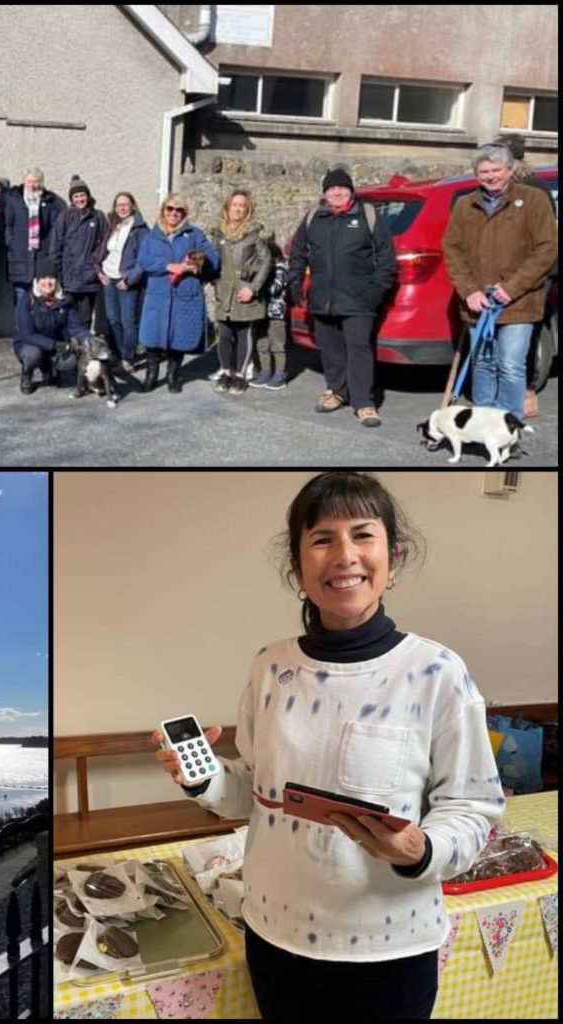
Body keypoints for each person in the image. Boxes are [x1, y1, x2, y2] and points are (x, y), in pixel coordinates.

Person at [151, 471, 504, 1020]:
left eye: (363, 535)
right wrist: (204, 779)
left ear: (395, 556)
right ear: (297, 569)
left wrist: (421, 851)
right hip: (273, 935)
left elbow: (475, 807)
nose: (345, 555)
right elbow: (255, 793)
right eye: (322, 539)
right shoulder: (270, 666)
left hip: (389, 950)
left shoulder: (436, 672)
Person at [442, 143, 557, 423]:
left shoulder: (533, 199)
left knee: (510, 364)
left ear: (509, 170)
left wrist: (512, 288)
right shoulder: (465, 204)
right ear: (476, 173)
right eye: (484, 171)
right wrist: (469, 290)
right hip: (478, 303)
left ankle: (509, 425)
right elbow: (452, 249)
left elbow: (547, 249)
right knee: (483, 363)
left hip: (519, 301)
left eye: (496, 170)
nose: (491, 176)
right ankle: (483, 421)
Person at [288, 169, 397, 427]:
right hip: (322, 297)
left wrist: (377, 290)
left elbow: (386, 258)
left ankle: (364, 402)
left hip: (359, 299)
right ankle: (337, 391)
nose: (336, 193)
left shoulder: (367, 215)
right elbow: (298, 250)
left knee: (359, 349)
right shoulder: (315, 216)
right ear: (325, 193)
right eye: (331, 189)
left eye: (341, 188)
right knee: (330, 348)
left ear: (351, 191)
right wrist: (295, 281)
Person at [137, 193, 219, 393]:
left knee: (178, 337)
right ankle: (151, 375)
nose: (174, 213)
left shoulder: (194, 235)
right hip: (158, 295)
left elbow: (214, 259)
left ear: (184, 213)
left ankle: (173, 375)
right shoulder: (152, 235)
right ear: (163, 210)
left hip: (184, 294)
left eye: (179, 210)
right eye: (170, 209)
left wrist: (200, 262)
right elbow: (143, 261)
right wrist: (168, 266)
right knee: (153, 338)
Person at [209, 190, 271, 396]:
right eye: (234, 204)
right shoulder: (217, 234)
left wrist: (252, 288)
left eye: (242, 205)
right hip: (224, 293)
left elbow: (266, 262)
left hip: (245, 293)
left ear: (247, 209)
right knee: (225, 334)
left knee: (244, 334)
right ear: (227, 207)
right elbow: (212, 262)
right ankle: (226, 371)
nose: (237, 208)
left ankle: (241, 375)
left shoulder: (254, 235)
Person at [13, 257, 90, 394]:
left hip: (55, 346)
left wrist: (89, 339)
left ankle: (48, 367)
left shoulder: (64, 300)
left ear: (57, 280)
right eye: (43, 277)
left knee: (71, 360)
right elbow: (27, 334)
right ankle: (27, 373)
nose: (48, 282)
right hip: (30, 344)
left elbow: (75, 327)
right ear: (37, 280)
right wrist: (54, 345)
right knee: (33, 355)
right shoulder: (27, 299)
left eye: (52, 278)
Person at [96, 192, 148, 374]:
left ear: (133, 206)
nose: (122, 208)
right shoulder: (112, 225)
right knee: (112, 321)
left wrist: (129, 279)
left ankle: (128, 357)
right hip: (108, 278)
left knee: (128, 322)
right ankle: (116, 356)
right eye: (119, 205)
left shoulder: (140, 229)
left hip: (126, 281)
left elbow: (143, 261)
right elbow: (102, 252)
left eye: (126, 204)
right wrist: (98, 271)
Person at [49, 175, 108, 330]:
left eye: (82, 195)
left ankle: (85, 347)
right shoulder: (65, 217)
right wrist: (57, 272)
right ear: (72, 199)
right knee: (68, 315)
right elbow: (56, 245)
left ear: (88, 196)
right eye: (76, 196)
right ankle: (71, 347)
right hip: (68, 278)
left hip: (88, 278)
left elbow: (104, 243)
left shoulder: (98, 217)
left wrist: (94, 264)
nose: (80, 199)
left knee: (85, 318)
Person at [3, 168, 66, 310]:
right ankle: (22, 330)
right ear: (24, 182)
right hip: (19, 255)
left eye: (36, 182)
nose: (33, 185)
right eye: (30, 181)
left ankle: (39, 330)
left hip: (41, 256)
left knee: (41, 296)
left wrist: (50, 249)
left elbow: (54, 228)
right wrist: (11, 243)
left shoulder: (50, 201)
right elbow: (7, 224)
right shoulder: (14, 200)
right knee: (21, 297)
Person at [248, 235, 291, 391]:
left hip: (275, 313)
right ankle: (265, 371)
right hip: (260, 311)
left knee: (277, 345)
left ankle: (280, 373)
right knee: (262, 344)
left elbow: (275, 289)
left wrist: (259, 282)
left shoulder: (281, 269)